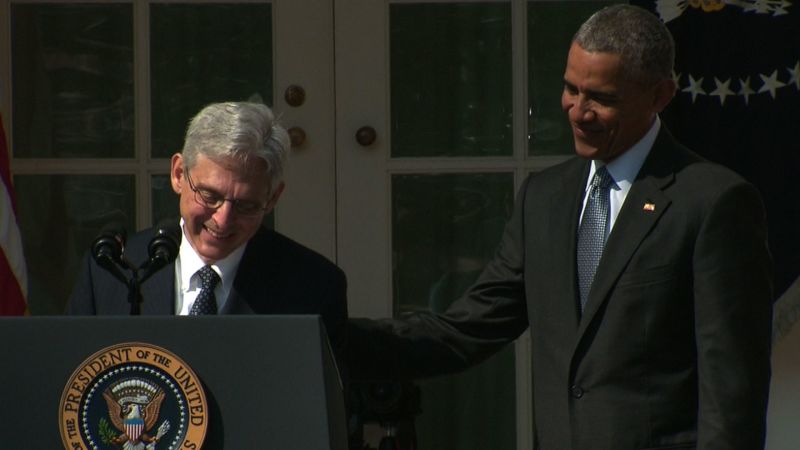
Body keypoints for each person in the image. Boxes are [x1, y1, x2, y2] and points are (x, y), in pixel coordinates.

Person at [347, 5, 772, 450]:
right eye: (571, 88)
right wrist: (326, 335)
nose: (577, 111)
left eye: (602, 99)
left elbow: (733, 391)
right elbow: (468, 329)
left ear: (660, 96)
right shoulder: (544, 198)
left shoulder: (712, 203)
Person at [67, 101, 348, 362]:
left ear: (273, 198)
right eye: (209, 196)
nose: (223, 220)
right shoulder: (112, 268)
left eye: (246, 205)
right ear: (178, 174)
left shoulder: (313, 285)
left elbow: (321, 407)